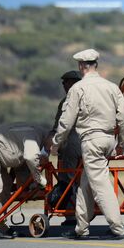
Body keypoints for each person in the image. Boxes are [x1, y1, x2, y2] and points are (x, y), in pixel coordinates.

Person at [53, 49, 124, 240]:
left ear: (81, 67)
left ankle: (118, 228)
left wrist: (56, 143)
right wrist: (121, 144)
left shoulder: (78, 89)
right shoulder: (112, 87)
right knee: (86, 183)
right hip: (108, 139)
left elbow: (66, 121)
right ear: (95, 65)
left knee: (100, 184)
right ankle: (81, 228)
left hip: (91, 140)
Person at [0, 123, 49, 239]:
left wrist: (32, 185)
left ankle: (1, 226)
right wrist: (40, 180)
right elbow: (30, 157)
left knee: (5, 186)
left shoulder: (36, 132)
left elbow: (23, 169)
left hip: (3, 149)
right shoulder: (35, 135)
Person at [50, 70, 82, 226]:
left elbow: (60, 125)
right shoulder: (88, 98)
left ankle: (71, 215)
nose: (64, 85)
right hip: (89, 143)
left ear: (72, 83)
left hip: (71, 143)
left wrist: (53, 142)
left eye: (66, 82)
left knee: (68, 179)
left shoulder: (67, 101)